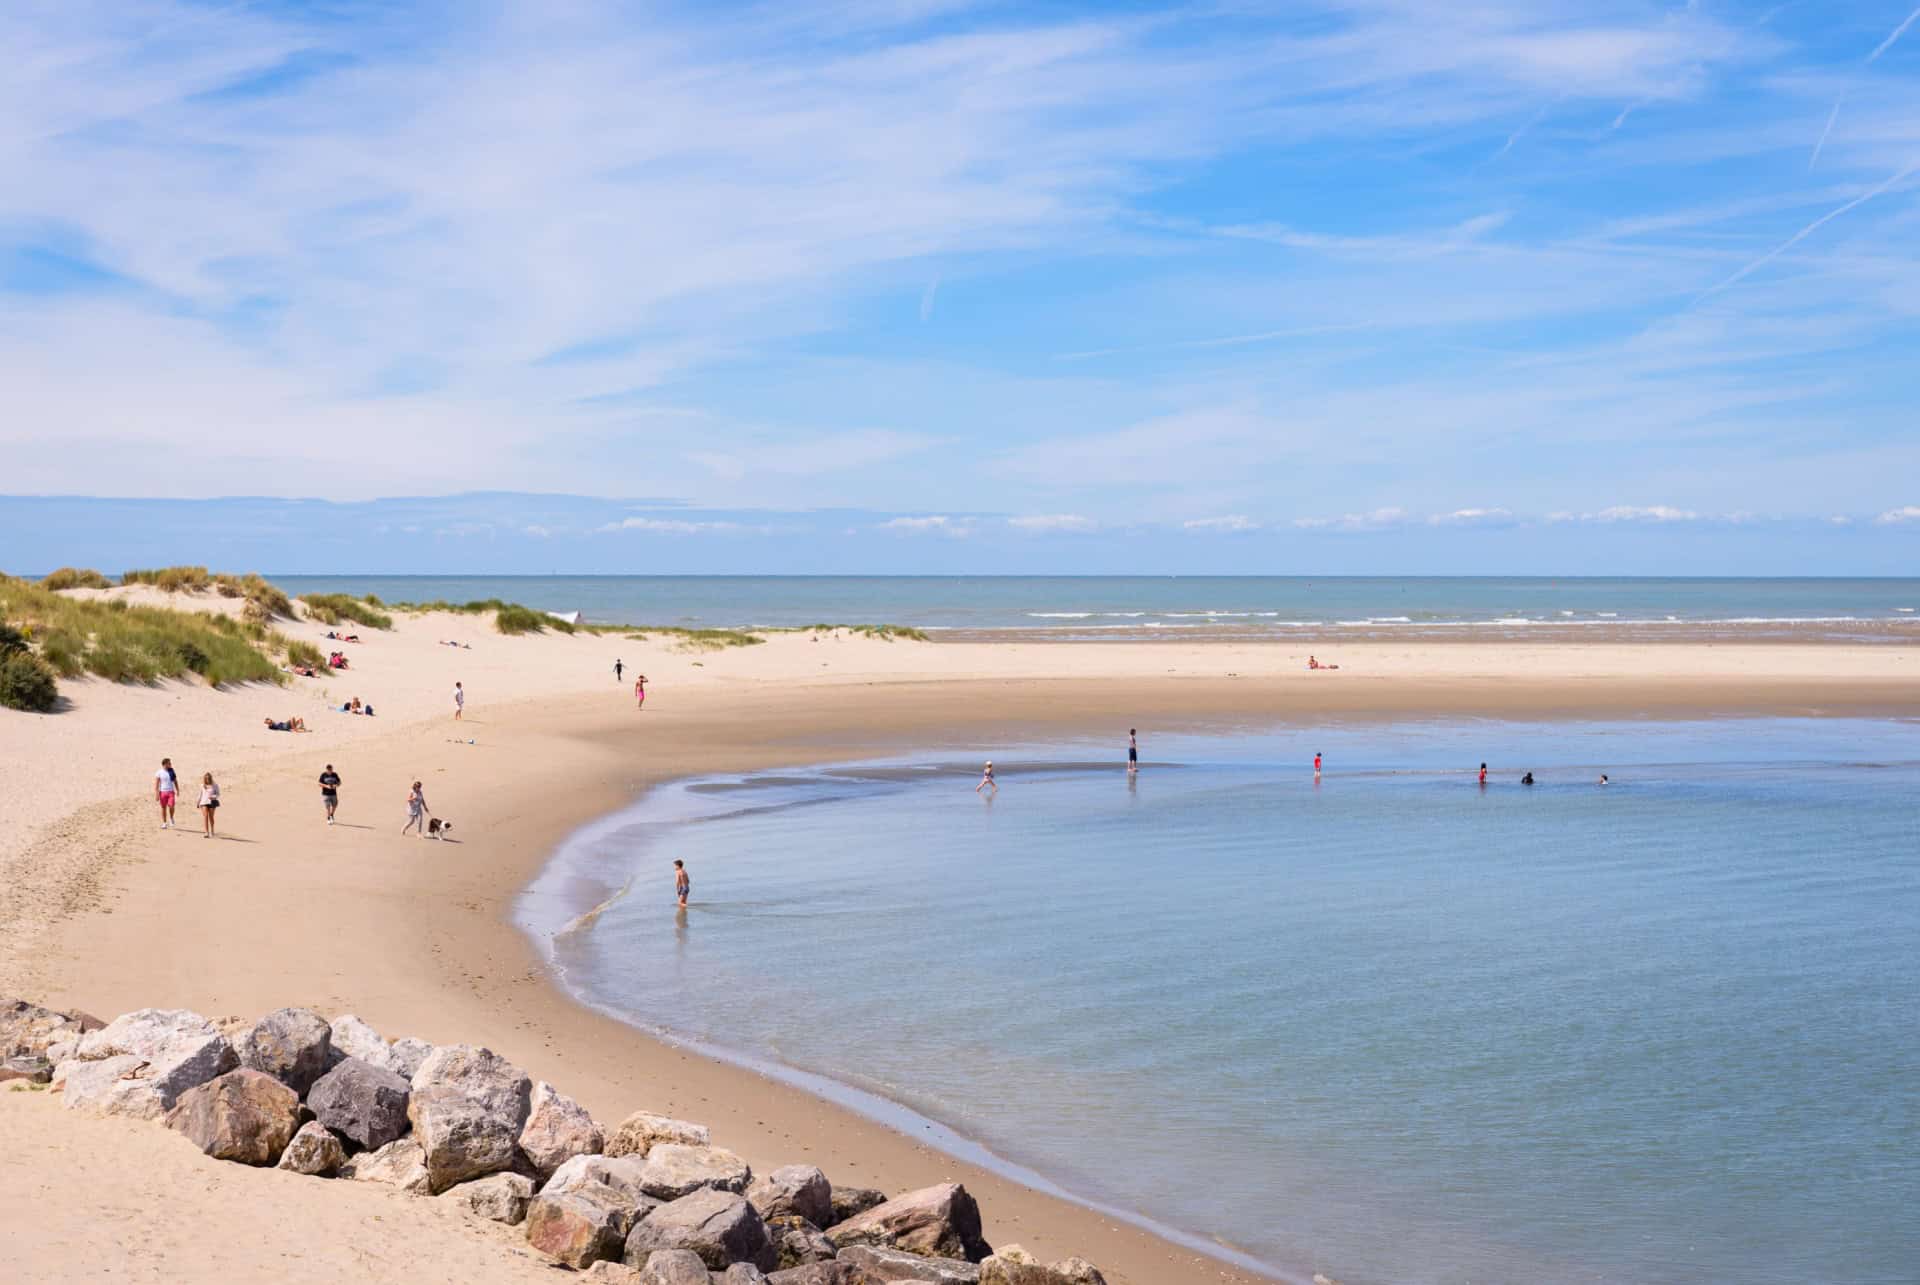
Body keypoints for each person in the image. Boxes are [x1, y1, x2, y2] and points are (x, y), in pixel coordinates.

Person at [154, 757, 178, 829]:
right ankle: (164, 823)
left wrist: (178, 790)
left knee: (171, 806)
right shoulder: (159, 772)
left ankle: (171, 818)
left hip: (171, 792)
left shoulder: (171, 771)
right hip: (162, 792)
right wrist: (157, 794)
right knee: (163, 808)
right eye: (169, 763)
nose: (170, 764)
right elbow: (157, 784)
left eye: (170, 763)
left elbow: (175, 781)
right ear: (164, 764)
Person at [198, 772, 220, 838]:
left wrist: (213, 796)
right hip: (203, 802)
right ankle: (206, 832)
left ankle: (212, 830)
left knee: (211, 817)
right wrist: (198, 802)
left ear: (210, 778)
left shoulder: (215, 785)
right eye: (206, 778)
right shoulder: (202, 785)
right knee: (205, 816)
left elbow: (218, 794)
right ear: (204, 779)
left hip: (212, 802)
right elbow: (200, 794)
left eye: (208, 778)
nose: (207, 779)